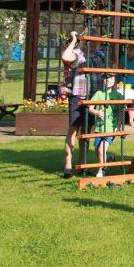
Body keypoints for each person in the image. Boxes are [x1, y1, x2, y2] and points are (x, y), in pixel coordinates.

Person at [86, 73, 125, 179]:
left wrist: (119, 124)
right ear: (103, 80)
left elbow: (121, 111)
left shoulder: (118, 96)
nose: (108, 80)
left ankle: (101, 171)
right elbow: (90, 108)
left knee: (101, 149)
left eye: (111, 78)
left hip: (111, 128)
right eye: (106, 78)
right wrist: (97, 113)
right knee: (97, 151)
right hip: (100, 128)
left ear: (114, 80)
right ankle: (109, 158)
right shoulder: (99, 94)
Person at [61, 31, 87, 179]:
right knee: (73, 129)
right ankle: (68, 163)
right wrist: (74, 39)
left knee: (86, 132)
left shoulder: (92, 54)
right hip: (77, 95)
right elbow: (65, 56)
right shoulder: (74, 53)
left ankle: (82, 163)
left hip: (91, 96)